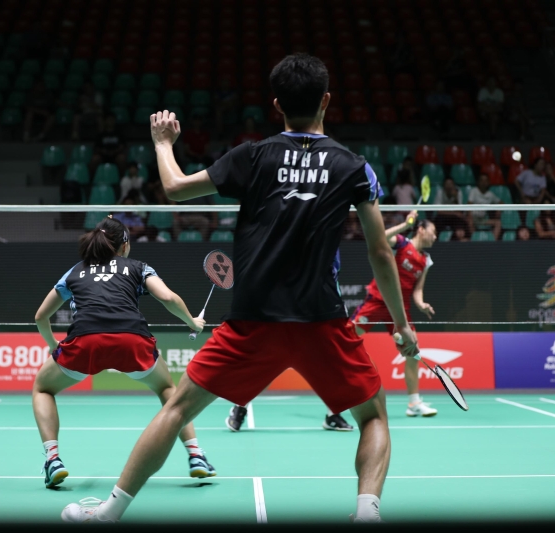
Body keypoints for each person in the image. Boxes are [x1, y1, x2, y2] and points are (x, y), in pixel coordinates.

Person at [60, 53, 417, 524]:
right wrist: (402, 324)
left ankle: (108, 513)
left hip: (252, 322)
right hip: (321, 321)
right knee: (372, 417)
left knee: (176, 410)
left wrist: (163, 143)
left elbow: (175, 188)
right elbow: (380, 253)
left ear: (277, 105)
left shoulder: (253, 155)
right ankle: (367, 514)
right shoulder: (353, 167)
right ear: (326, 101)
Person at [33, 215, 214, 490]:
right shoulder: (139, 267)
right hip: (132, 340)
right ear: (125, 245)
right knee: (167, 389)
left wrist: (52, 345)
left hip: (85, 341)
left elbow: (40, 316)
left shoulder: (75, 271)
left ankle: (53, 460)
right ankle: (196, 456)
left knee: (43, 388)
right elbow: (167, 297)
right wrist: (193, 322)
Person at [350, 213, 438, 418]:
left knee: (413, 351)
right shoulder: (401, 243)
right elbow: (380, 237)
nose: (435, 237)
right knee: (348, 338)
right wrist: (405, 225)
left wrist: (421, 304)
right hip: (377, 300)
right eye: (433, 232)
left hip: (399, 309)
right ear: (421, 230)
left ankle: (414, 403)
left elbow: (417, 289)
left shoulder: (425, 260)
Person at [90, 113, 127, 179]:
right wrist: (103, 151)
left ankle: (122, 178)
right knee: (95, 159)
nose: (110, 121)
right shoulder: (101, 134)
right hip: (103, 155)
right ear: (105, 121)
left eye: (112, 120)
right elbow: (96, 147)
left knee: (121, 158)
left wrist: (114, 152)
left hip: (115, 155)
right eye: (108, 120)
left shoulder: (119, 133)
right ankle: (92, 178)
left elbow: (122, 146)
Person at [467, 172, 502, 240]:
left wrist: (499, 209)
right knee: (470, 222)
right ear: (478, 182)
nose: (484, 182)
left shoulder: (490, 194)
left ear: (488, 182)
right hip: (473, 218)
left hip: (483, 219)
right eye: (482, 180)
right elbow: (469, 204)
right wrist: (470, 216)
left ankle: (493, 242)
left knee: (498, 223)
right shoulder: (474, 191)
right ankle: (474, 241)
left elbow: (501, 202)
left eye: (486, 180)